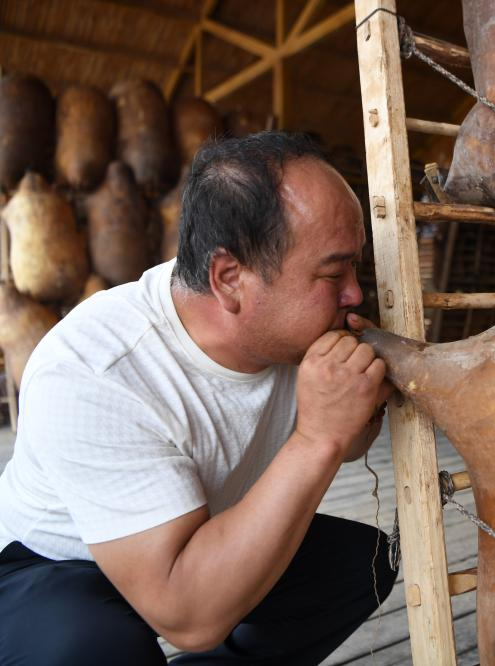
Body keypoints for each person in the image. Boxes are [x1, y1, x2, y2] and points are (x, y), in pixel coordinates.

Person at [0, 132, 398, 665]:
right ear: (229, 279)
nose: (354, 293)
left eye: (355, 268)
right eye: (332, 273)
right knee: (95, 648)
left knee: (364, 563)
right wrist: (318, 437)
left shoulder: (287, 326)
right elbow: (187, 616)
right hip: (57, 568)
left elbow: (349, 441)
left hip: (199, 532)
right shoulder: (96, 370)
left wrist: (355, 408)